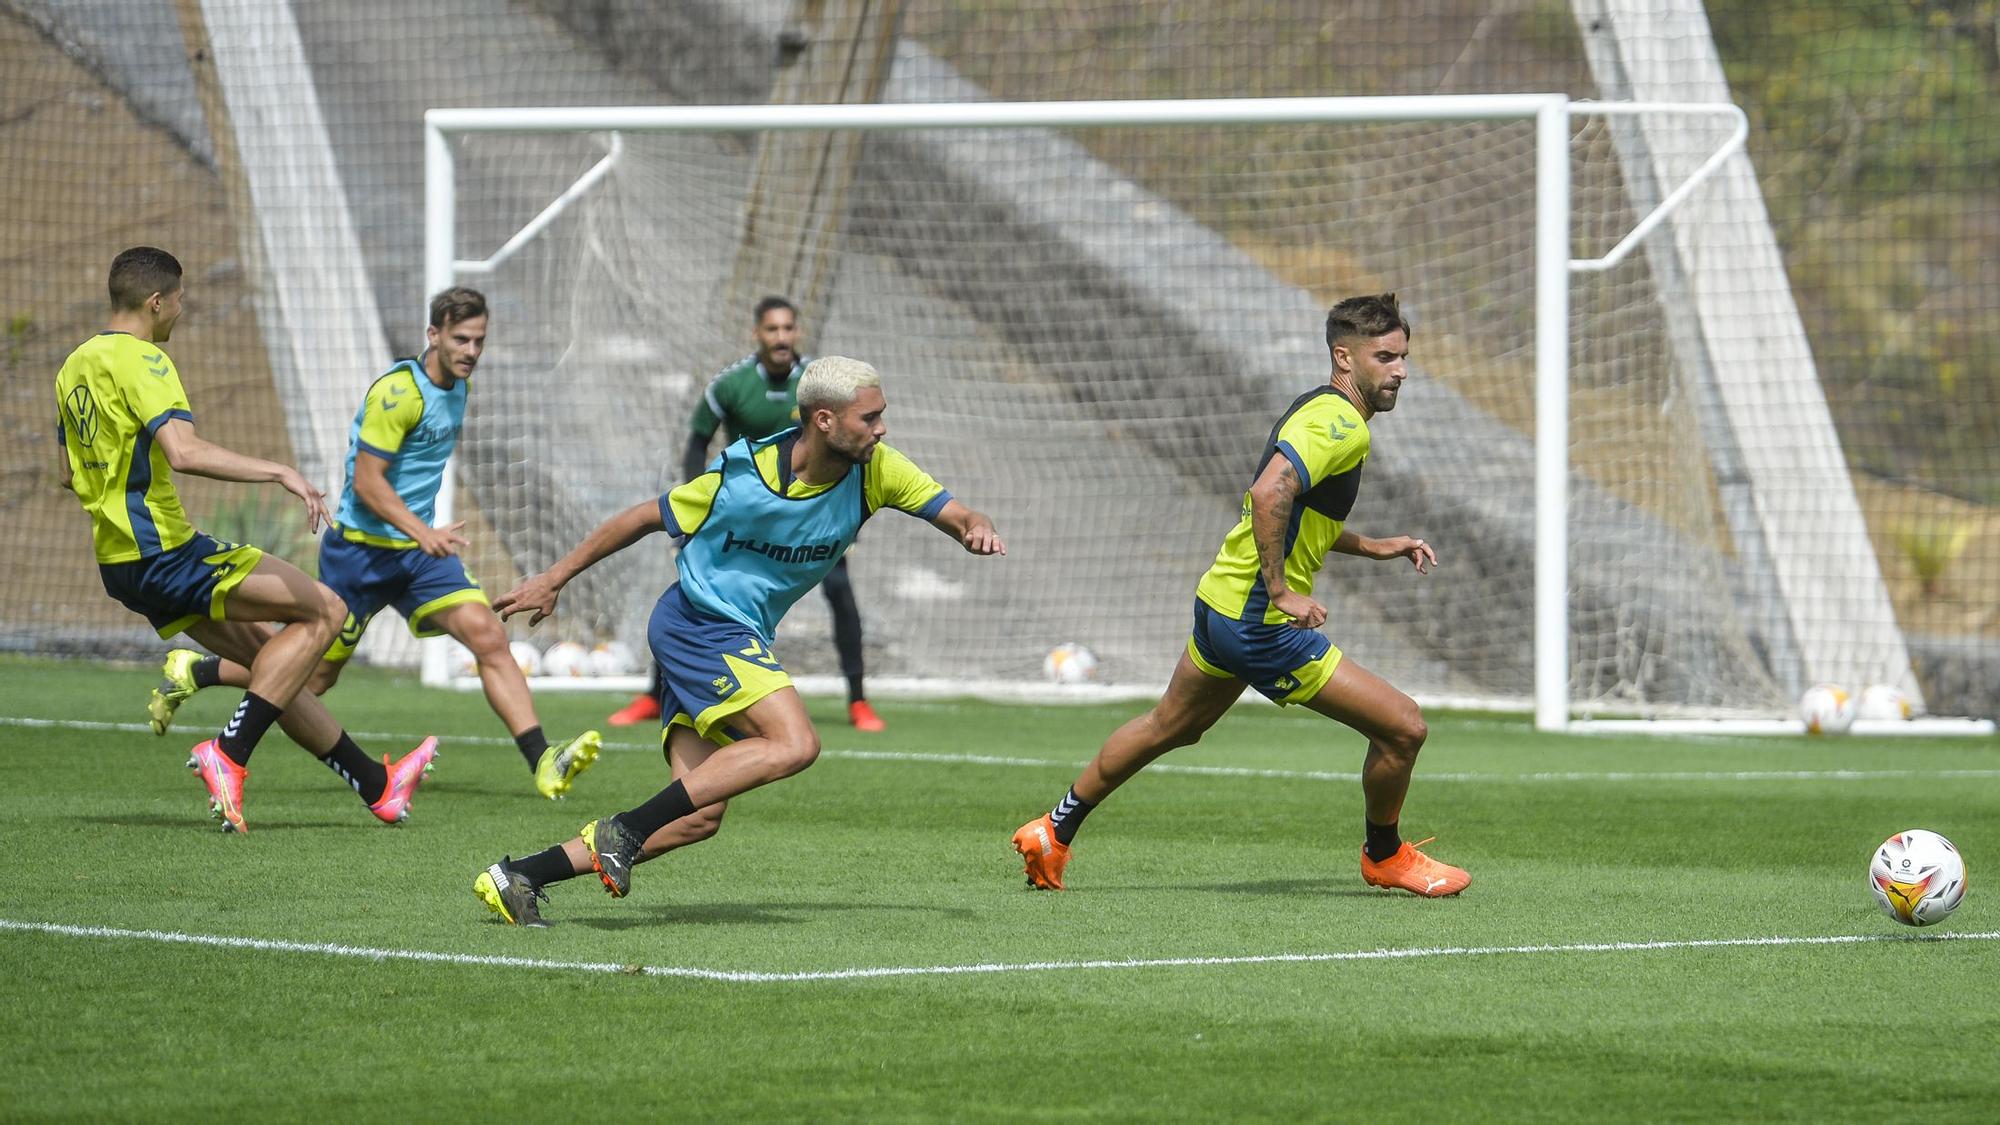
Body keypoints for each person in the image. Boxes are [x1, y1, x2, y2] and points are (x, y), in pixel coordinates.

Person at [475, 356, 1005, 926]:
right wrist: (554, 578)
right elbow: (640, 518)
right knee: (796, 742)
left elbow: (955, 511)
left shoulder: (879, 470)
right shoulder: (742, 476)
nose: (881, 429)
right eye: (869, 418)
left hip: (731, 633)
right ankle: (621, 831)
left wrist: (974, 524)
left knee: (698, 814)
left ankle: (521, 875)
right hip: (697, 623)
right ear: (824, 421)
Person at [1010, 293, 1470, 897]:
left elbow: (1296, 513)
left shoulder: (1318, 408)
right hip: (1258, 620)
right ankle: (1384, 855)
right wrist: (1281, 591)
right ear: (1344, 356)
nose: (1400, 370)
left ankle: (1054, 828)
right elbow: (1269, 493)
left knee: (1169, 725)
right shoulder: (1341, 424)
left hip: (1221, 603)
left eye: (1404, 356)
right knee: (1403, 728)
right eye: (1385, 357)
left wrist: (1375, 545)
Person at [147, 287, 601, 800]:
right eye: (460, 339)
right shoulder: (398, 393)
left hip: (417, 558)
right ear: (433, 335)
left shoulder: (458, 388)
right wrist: (423, 530)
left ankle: (542, 759)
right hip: (359, 558)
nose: (471, 351)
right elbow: (367, 482)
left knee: (488, 637)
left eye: (479, 341)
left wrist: (422, 537)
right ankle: (198, 670)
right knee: (312, 681)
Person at [55, 246, 436, 833]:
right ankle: (229, 754)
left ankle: (377, 784)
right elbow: (183, 452)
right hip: (165, 551)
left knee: (271, 662)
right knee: (325, 612)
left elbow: (66, 472)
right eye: (179, 300)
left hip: (119, 562)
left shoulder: (72, 367)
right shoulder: (143, 359)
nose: (181, 311)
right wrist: (279, 470)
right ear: (156, 302)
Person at [607, 296, 887, 732]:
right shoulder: (730, 385)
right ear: (756, 334)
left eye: (788, 329)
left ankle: (858, 701)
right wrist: (698, 512)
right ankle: (654, 694)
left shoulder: (819, 387)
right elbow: (697, 442)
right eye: (772, 330)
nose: (781, 338)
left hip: (812, 519)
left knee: (842, 597)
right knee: (696, 598)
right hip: (743, 519)